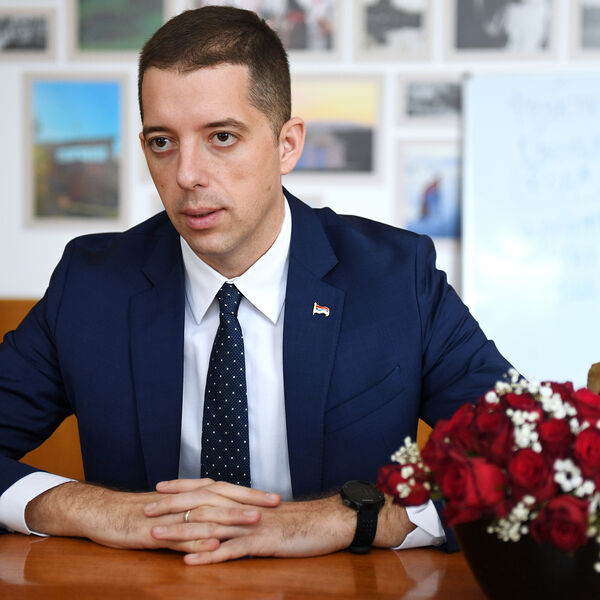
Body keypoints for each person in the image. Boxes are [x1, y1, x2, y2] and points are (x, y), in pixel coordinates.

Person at [0, 6, 511, 565]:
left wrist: (354, 518)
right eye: (163, 142)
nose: (187, 175)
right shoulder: (91, 284)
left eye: (221, 136)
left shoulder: (396, 279)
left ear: (287, 145)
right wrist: (89, 507)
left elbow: (534, 461)